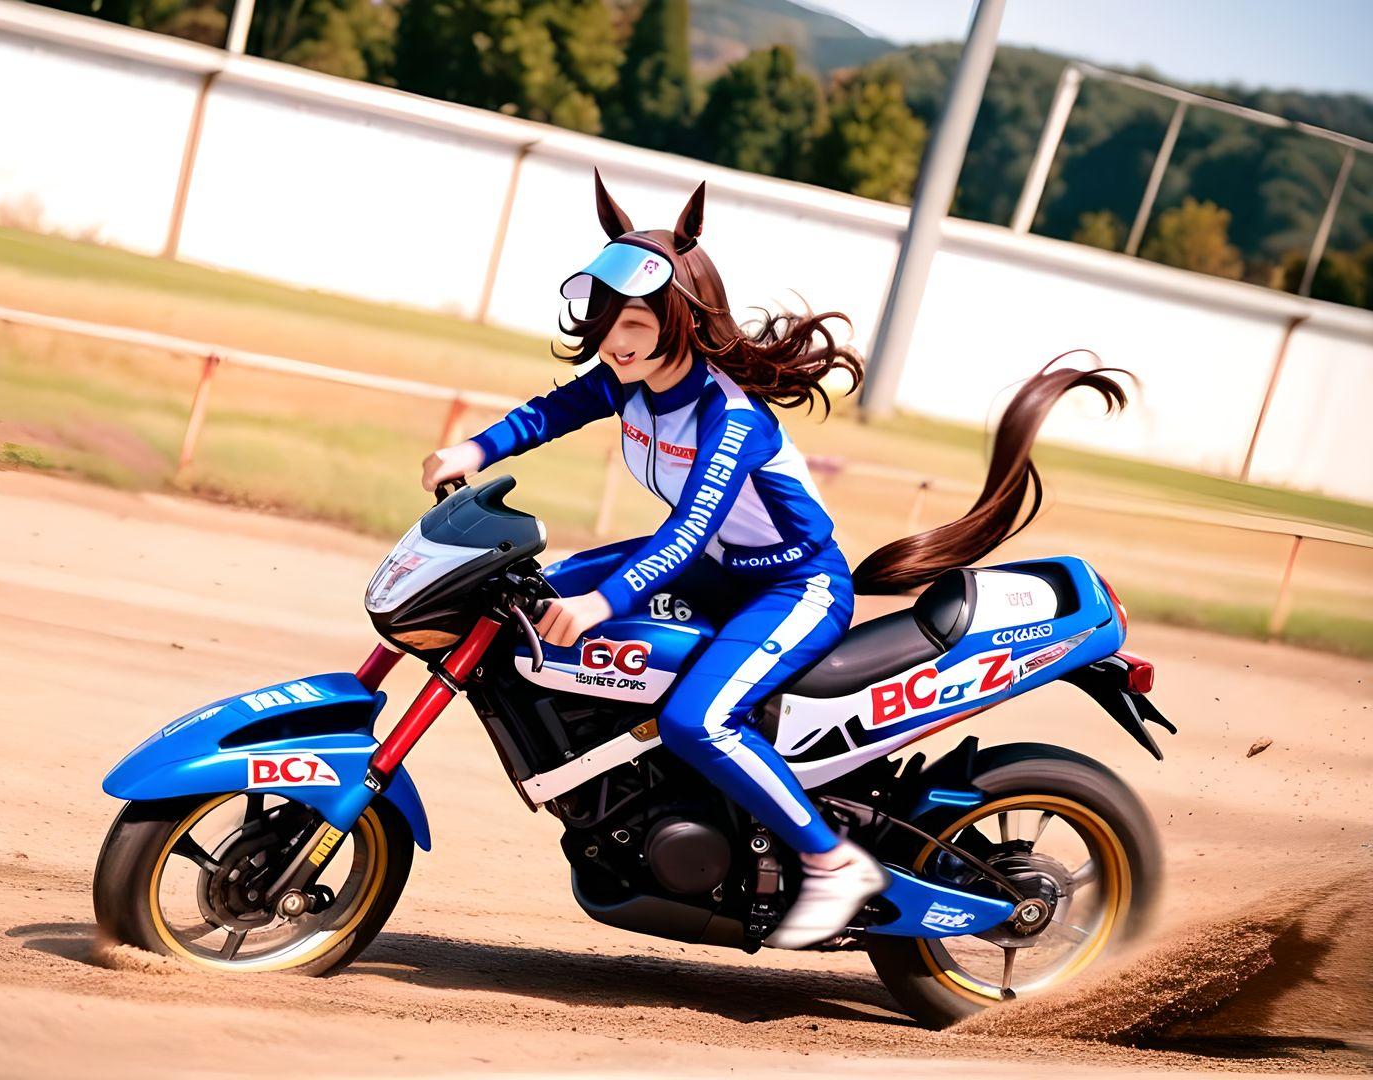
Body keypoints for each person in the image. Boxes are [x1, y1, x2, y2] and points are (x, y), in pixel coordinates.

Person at [421, 171, 1124, 948]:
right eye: (607, 320)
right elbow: (553, 410)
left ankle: (832, 863)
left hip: (795, 587)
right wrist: (472, 450)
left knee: (698, 719)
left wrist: (603, 602)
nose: (615, 340)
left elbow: (688, 530)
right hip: (721, 571)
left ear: (679, 317)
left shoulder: (729, 415)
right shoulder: (630, 383)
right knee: (533, 594)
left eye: (634, 322)